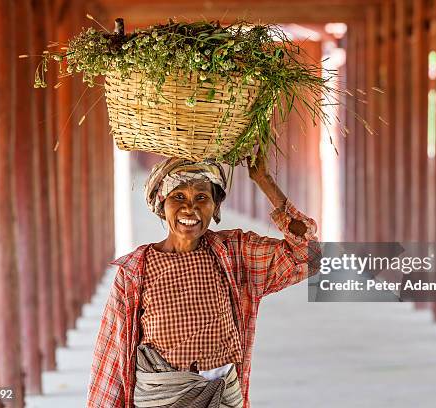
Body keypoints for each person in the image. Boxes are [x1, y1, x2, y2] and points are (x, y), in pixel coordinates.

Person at [87, 154, 320, 408]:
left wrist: (264, 181)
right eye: (178, 197)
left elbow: (307, 254)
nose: (190, 208)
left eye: (202, 198)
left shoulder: (234, 254)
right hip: (164, 397)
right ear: (161, 204)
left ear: (215, 207)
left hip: (222, 395)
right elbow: (112, 353)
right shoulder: (134, 271)